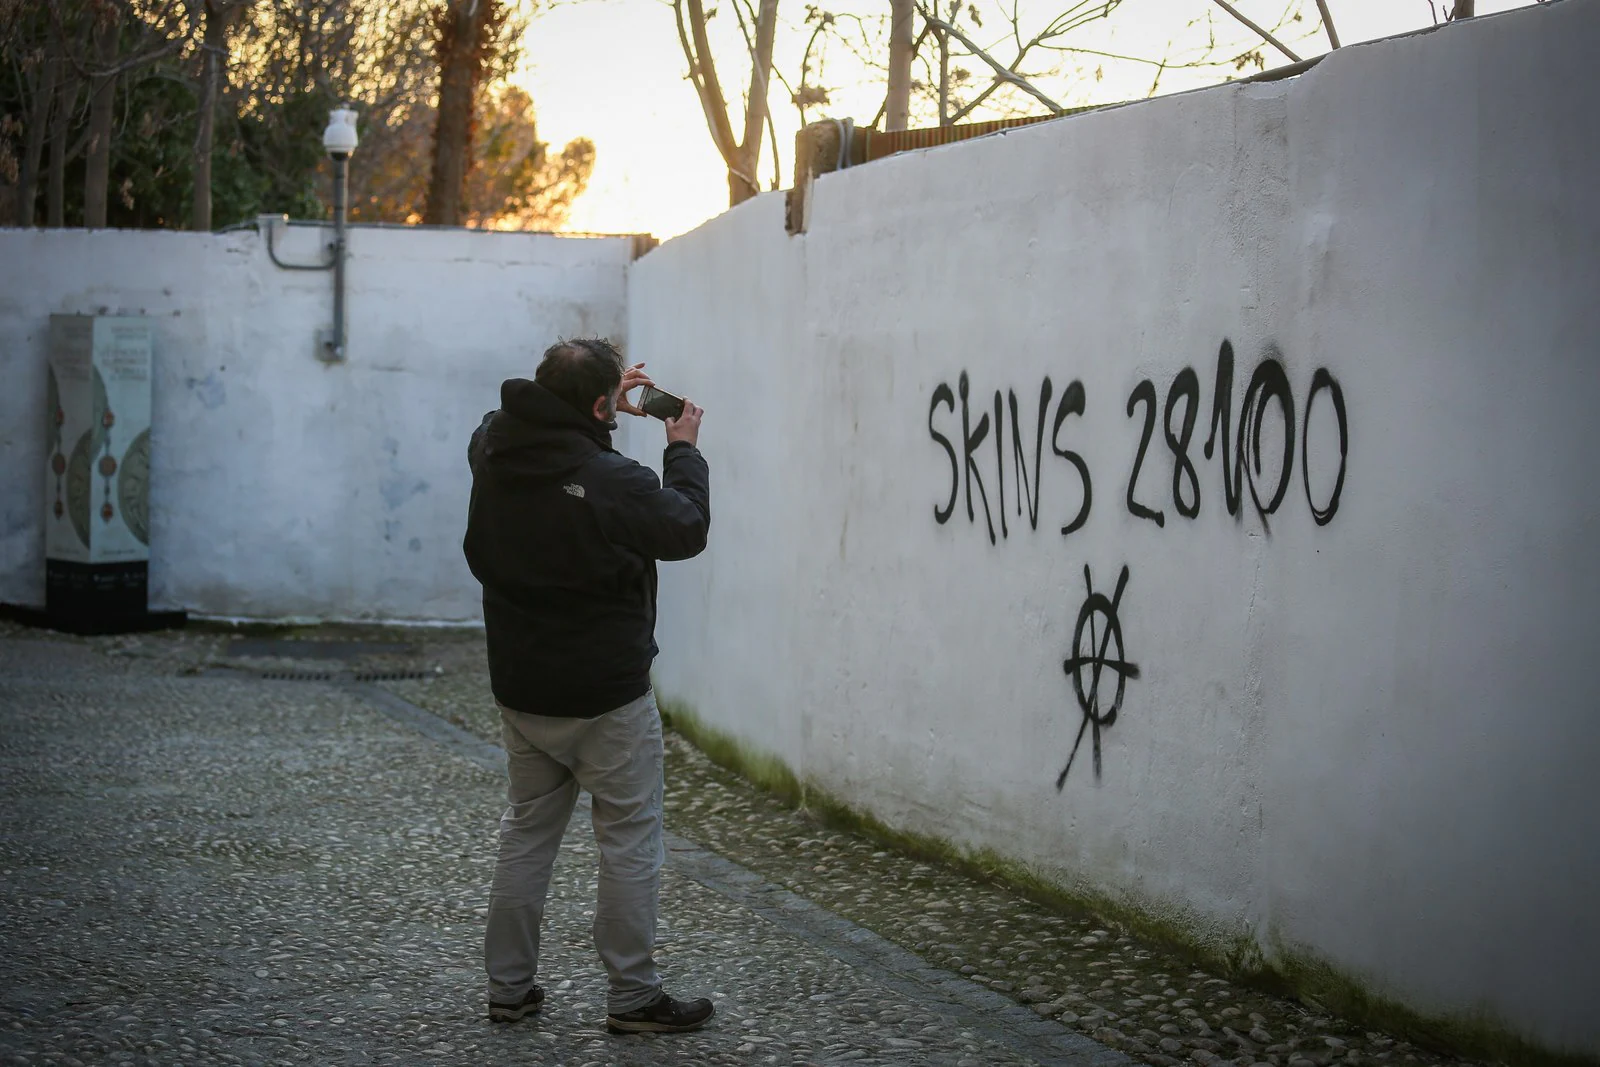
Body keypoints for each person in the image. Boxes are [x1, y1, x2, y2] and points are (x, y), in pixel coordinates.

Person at [462, 337, 712, 1034]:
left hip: (521, 685)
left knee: (527, 833)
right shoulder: (609, 478)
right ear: (604, 405)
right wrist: (681, 445)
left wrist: (597, 409)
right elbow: (685, 526)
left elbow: (502, 420)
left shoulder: (492, 447)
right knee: (629, 837)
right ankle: (633, 997)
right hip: (606, 696)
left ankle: (508, 989)